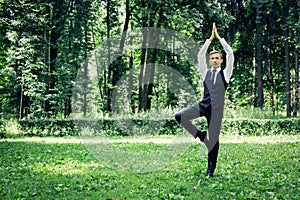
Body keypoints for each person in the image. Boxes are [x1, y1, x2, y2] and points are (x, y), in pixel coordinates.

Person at [175, 23, 234, 178]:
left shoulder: (226, 74)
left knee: (213, 141)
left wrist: (219, 38)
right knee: (179, 116)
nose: (214, 60)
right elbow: (200, 55)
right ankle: (201, 135)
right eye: (212, 58)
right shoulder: (205, 73)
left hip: (216, 111)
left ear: (221, 60)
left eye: (217, 58)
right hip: (203, 105)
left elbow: (230, 53)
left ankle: (210, 171)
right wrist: (210, 39)